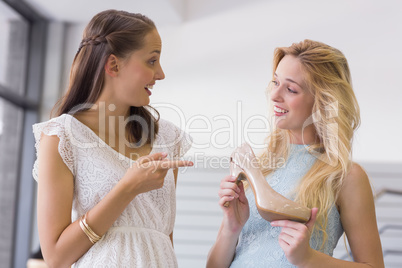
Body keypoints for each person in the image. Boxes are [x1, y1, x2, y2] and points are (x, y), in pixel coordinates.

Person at [32, 9, 193, 268]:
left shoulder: (168, 137)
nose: (160, 73)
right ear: (114, 65)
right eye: (152, 61)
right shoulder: (62, 136)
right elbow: (55, 257)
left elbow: (163, 237)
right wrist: (127, 188)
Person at [206, 39, 384, 267]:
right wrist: (230, 228)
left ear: (323, 101)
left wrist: (309, 259)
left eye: (290, 89)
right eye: (275, 82)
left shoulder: (346, 176)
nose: (274, 95)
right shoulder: (259, 168)